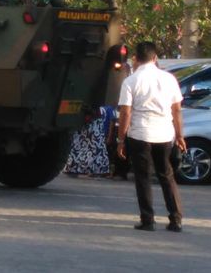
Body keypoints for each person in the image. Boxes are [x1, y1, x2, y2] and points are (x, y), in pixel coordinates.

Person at [117, 41, 186, 232]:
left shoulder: (130, 81)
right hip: (164, 134)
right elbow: (177, 110)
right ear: (155, 58)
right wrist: (180, 135)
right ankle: (176, 219)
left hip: (140, 134)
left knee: (143, 177)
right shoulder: (169, 79)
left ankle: (147, 220)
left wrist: (121, 139)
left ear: (135, 59)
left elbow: (125, 113)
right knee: (167, 175)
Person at [64, 107, 111, 177]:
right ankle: (74, 168)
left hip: (93, 119)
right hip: (86, 118)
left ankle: (96, 170)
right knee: (79, 145)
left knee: (94, 146)